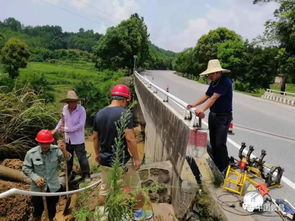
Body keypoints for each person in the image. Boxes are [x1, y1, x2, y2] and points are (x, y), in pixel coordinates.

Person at [93, 84, 152, 220]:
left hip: (105, 160)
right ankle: (137, 214)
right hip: (122, 161)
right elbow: (130, 139)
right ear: (124, 99)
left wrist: (97, 154)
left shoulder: (99, 113)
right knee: (134, 187)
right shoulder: (125, 113)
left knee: (105, 188)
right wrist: (137, 159)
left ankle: (102, 215)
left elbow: (95, 137)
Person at [187, 59, 233, 173]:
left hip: (223, 117)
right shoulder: (214, 82)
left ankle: (224, 169)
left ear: (218, 72)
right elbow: (207, 95)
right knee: (213, 143)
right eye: (208, 74)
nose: (209, 76)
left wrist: (202, 109)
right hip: (213, 116)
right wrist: (194, 104)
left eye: (211, 74)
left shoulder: (225, 82)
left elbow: (214, 97)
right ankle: (217, 166)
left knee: (220, 144)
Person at [22, 129, 71, 221]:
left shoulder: (56, 150)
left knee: (51, 213)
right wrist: (35, 178)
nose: (45, 146)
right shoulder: (31, 153)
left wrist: (64, 150)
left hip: (53, 188)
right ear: (38, 142)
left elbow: (67, 158)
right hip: (37, 190)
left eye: (47, 143)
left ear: (51, 142)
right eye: (42, 143)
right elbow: (25, 168)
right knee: (37, 214)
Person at [52, 90, 90, 180]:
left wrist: (66, 130)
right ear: (67, 102)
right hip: (68, 139)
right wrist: (55, 129)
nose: (72, 103)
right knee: (68, 157)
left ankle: (86, 175)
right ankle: (68, 173)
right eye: (70, 101)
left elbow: (81, 125)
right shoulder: (65, 108)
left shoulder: (81, 110)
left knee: (82, 158)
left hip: (78, 139)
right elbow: (62, 120)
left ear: (77, 101)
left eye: (74, 101)